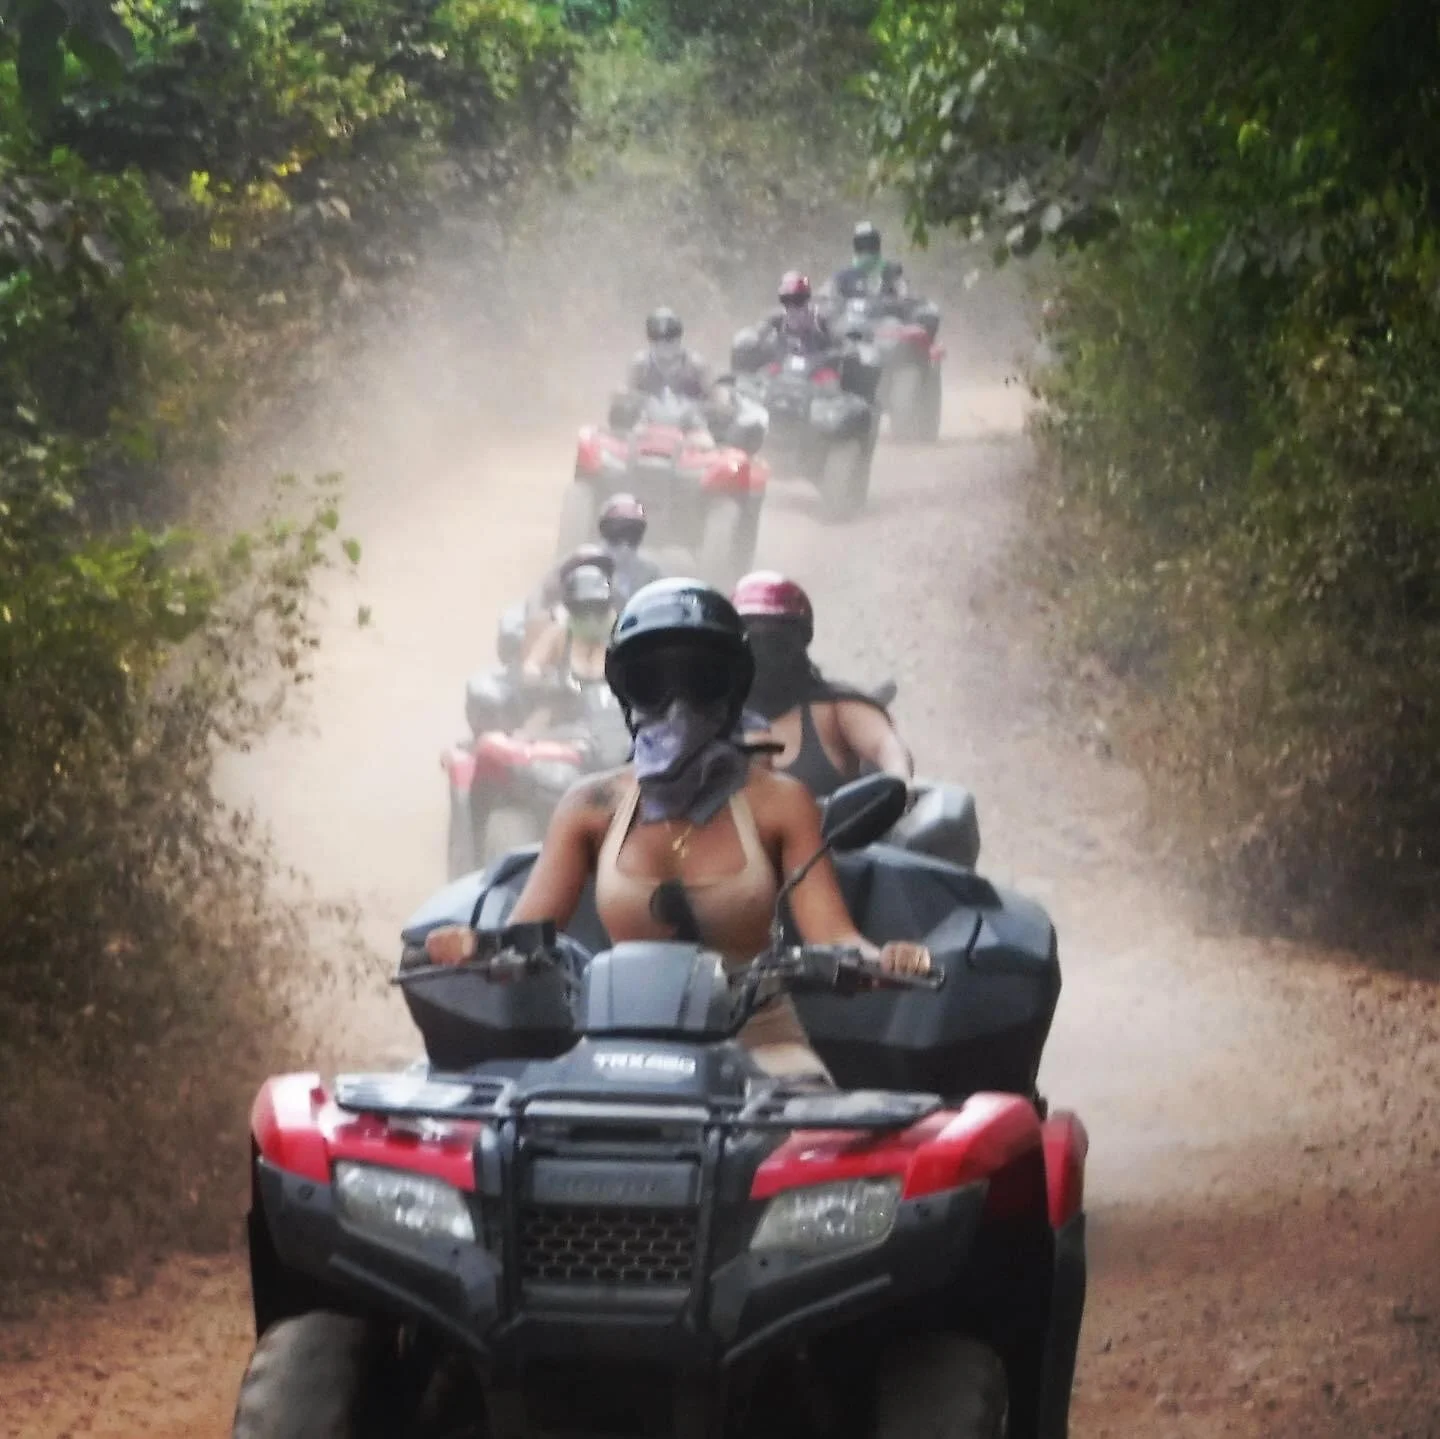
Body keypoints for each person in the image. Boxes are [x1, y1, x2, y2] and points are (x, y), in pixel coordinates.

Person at [426, 578, 932, 1082]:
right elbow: (524, 937)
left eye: (699, 679)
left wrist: (885, 960)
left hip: (764, 1050)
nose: (677, 704)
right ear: (626, 692)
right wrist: (474, 948)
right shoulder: (590, 805)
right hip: (614, 1052)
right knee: (524, 1129)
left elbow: (833, 937)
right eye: (653, 681)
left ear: (732, 688)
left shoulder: (781, 803)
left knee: (810, 1141)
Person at [733, 571, 913, 798]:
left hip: (833, 833)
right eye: (754, 640)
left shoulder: (833, 708)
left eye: (776, 641)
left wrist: (900, 783)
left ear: (801, 640)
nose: (764, 653)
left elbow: (885, 745)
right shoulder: (711, 715)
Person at [627, 307, 711, 401]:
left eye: (670, 336)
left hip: (692, 414)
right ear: (650, 338)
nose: (663, 343)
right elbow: (629, 397)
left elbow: (714, 400)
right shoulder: (641, 365)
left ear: (679, 336)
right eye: (657, 337)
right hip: (649, 415)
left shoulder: (696, 365)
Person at [756, 272, 837, 360]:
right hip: (784, 371)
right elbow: (756, 337)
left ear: (807, 299)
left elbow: (840, 346)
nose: (792, 306)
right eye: (786, 300)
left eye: (798, 299)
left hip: (817, 369)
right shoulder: (775, 321)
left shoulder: (820, 320)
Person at [830, 221, 908, 304]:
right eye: (861, 244)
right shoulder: (844, 276)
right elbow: (828, 299)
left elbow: (904, 299)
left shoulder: (891, 272)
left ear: (877, 244)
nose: (866, 248)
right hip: (852, 316)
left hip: (885, 315)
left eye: (870, 243)